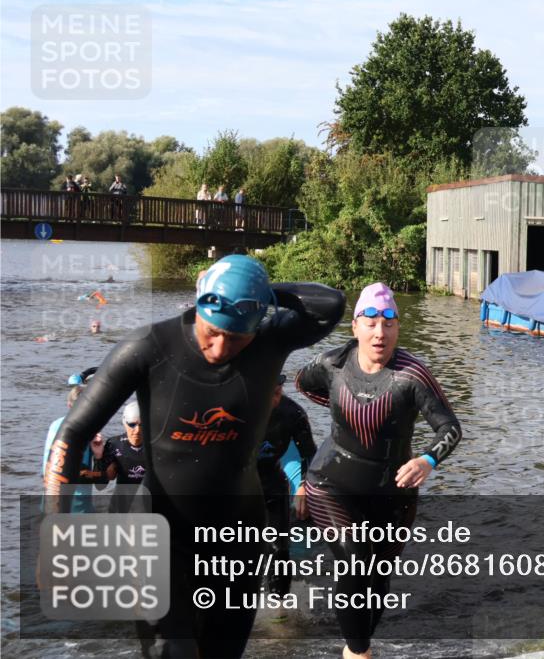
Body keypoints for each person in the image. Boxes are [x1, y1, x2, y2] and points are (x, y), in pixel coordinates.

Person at [43, 254, 346, 658]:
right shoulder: (148, 346)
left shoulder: (273, 337)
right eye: (213, 331)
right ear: (200, 304)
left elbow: (332, 304)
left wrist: (255, 290)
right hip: (158, 532)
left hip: (237, 534)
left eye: (237, 337)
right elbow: (73, 433)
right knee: (173, 651)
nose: (221, 347)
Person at [298, 282, 462, 659]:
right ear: (355, 327)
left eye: (389, 323)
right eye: (370, 322)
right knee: (354, 560)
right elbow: (303, 384)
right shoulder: (332, 364)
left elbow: (450, 428)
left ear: (398, 328)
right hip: (331, 481)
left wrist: (427, 460)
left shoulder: (411, 375)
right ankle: (358, 654)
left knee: (376, 577)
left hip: (393, 491)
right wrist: (348, 417)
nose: (379, 333)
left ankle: (358, 643)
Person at [257, 373, 316, 596]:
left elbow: (310, 455)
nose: (274, 399)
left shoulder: (293, 413)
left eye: (278, 392)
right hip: (239, 484)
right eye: (268, 394)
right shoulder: (236, 409)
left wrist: (303, 486)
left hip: (273, 482)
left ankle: (279, 609)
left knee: (279, 550)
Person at [42, 377, 105, 513]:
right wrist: (99, 459)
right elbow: (91, 479)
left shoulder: (56, 425)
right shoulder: (79, 430)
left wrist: (98, 455)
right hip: (75, 506)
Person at [97, 401, 146, 513]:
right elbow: (100, 486)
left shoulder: (155, 446)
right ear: (124, 423)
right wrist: (98, 457)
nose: (137, 430)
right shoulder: (114, 444)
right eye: (132, 424)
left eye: (142, 425)